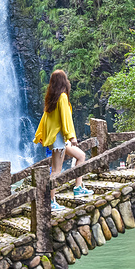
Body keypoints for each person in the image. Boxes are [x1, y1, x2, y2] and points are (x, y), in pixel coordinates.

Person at [34, 70, 93, 211]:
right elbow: (66, 118)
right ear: (63, 81)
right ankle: (51, 201)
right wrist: (71, 136)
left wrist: (41, 135)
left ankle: (78, 187)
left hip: (57, 139)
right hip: (59, 139)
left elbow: (45, 120)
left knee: (80, 156)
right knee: (56, 170)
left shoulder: (51, 99)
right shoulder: (62, 97)